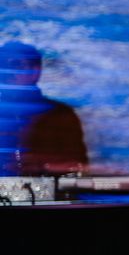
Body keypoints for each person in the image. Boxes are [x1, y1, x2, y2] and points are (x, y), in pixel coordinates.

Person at [0, 41, 88, 176]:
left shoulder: (60, 115)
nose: (8, 74)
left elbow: (78, 166)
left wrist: (38, 164)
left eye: (15, 65)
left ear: (35, 71)